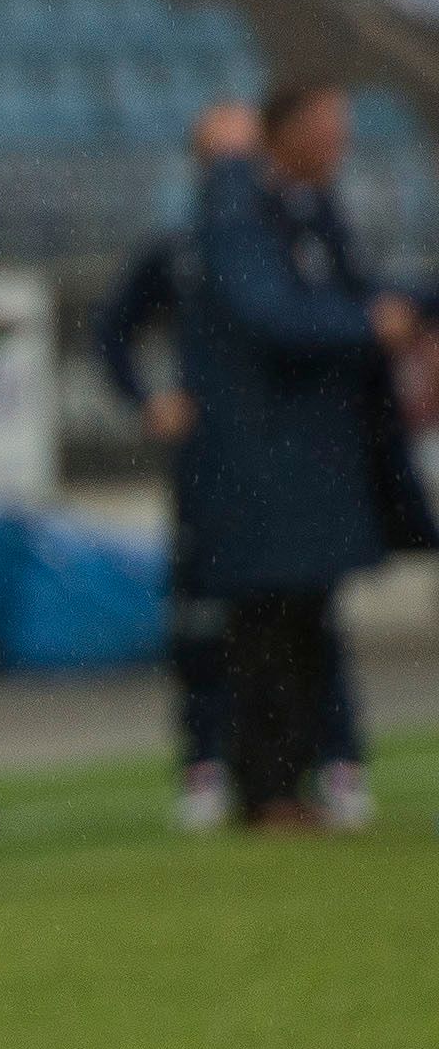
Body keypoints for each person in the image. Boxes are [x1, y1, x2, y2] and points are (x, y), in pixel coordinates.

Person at [92, 101, 367, 831]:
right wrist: (148, 399)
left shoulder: (296, 230)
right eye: (224, 155)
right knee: (210, 618)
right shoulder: (182, 246)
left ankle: (332, 759)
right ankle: (208, 762)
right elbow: (112, 329)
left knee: (306, 612)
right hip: (215, 466)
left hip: (287, 465)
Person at [177, 79, 434, 826]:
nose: (341, 140)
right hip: (264, 459)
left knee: (305, 617)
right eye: (327, 125)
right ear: (281, 132)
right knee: (265, 619)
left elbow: (360, 292)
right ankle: (266, 789)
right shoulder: (236, 210)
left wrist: (407, 306)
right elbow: (275, 314)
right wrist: (369, 325)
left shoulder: (308, 209)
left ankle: (301, 778)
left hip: (312, 458)